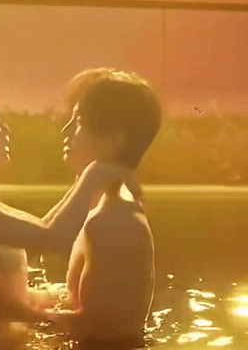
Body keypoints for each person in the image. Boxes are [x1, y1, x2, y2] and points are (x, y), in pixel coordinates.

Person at [0, 81, 141, 350]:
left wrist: (50, 300)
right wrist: (96, 173)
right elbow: (54, 237)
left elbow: (42, 231)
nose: (5, 129)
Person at [45, 68, 162, 349]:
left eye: (78, 122)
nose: (66, 131)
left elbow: (105, 334)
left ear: (113, 138)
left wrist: (11, 313)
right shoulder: (103, 208)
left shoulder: (115, 222)